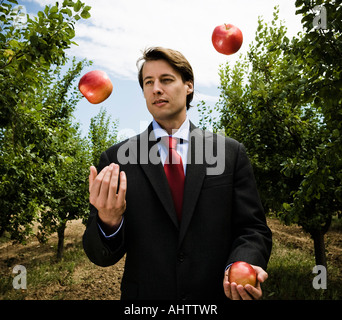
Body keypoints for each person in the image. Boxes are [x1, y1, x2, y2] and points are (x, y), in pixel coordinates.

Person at [83, 47, 272, 300]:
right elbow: (100, 256)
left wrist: (240, 264)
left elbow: (253, 228)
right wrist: (108, 220)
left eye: (166, 80)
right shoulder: (117, 160)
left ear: (189, 86)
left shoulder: (229, 153)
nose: (156, 89)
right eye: (148, 82)